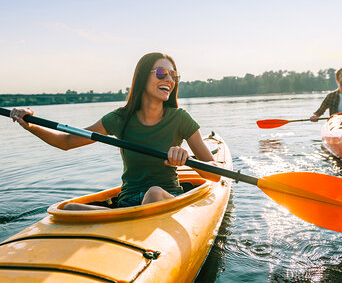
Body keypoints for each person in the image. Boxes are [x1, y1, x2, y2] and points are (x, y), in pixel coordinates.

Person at [10, 52, 220, 210]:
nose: (169, 80)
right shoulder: (120, 119)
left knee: (154, 193)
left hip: (165, 197)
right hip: (127, 203)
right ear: (142, 77)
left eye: (174, 75)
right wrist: (29, 124)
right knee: (68, 208)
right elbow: (66, 141)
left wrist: (186, 158)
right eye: (161, 73)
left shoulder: (180, 119)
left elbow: (215, 174)